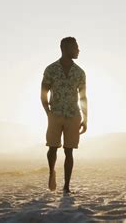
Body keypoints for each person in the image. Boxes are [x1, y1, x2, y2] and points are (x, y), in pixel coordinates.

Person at [41, 36, 88, 194]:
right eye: (75, 47)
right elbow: (43, 92)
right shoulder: (51, 69)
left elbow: (83, 96)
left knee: (69, 151)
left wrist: (85, 117)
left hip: (73, 115)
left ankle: (66, 186)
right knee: (52, 148)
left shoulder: (80, 72)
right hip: (55, 114)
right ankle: (51, 172)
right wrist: (48, 112)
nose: (78, 50)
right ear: (66, 48)